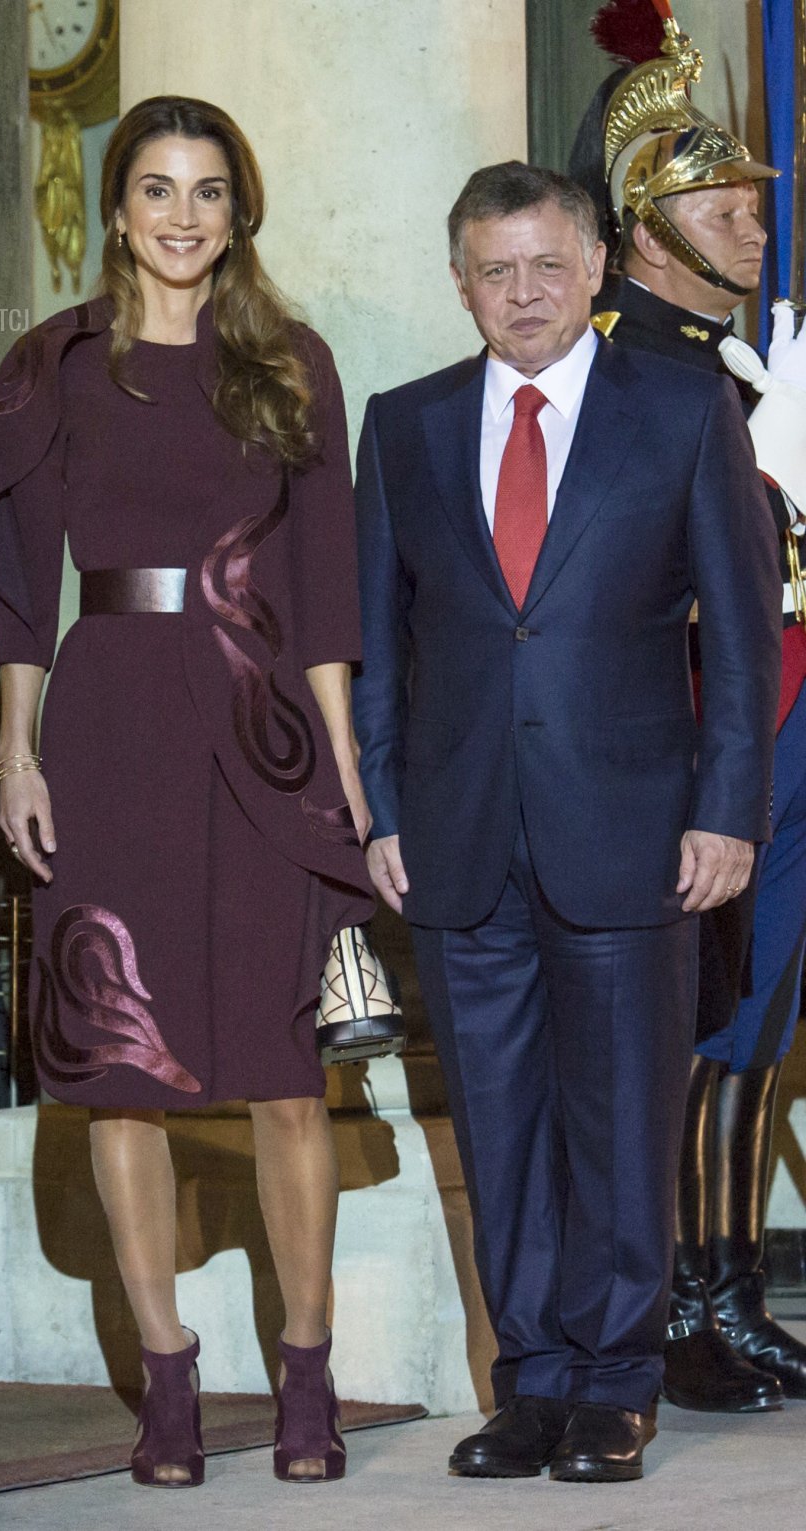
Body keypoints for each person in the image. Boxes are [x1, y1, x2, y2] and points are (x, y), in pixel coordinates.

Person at [353, 161, 781, 1484]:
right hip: (461, 836)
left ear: (598, 266)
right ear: (461, 281)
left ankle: (613, 1380)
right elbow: (378, 642)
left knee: (621, 1114)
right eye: (496, 269)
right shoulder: (406, 424)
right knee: (497, 1120)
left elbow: (747, 635)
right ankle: (528, 1379)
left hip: (637, 831)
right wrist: (381, 810)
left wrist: (728, 811)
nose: (524, 294)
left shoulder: (686, 411)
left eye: (548, 266)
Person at [0, 95, 374, 1489]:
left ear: (238, 209)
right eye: (158, 188)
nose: (184, 215)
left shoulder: (292, 363)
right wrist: (16, 752)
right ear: (117, 205)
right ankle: (166, 1383)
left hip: (264, 737)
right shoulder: (52, 368)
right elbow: (24, 591)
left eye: (211, 190)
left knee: (284, 1081)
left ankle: (309, 1375)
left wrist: (348, 778)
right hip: (109, 735)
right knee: (122, 1076)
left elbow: (328, 595)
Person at [570, 3, 806, 1413]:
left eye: (755, 211)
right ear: (651, 227)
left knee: (759, 1016)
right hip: (710, 725)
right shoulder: (631, 366)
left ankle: (724, 1291)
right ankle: (677, 1304)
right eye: (726, 211)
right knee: (706, 1021)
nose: (757, 232)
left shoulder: (722, 364)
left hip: (777, 706)